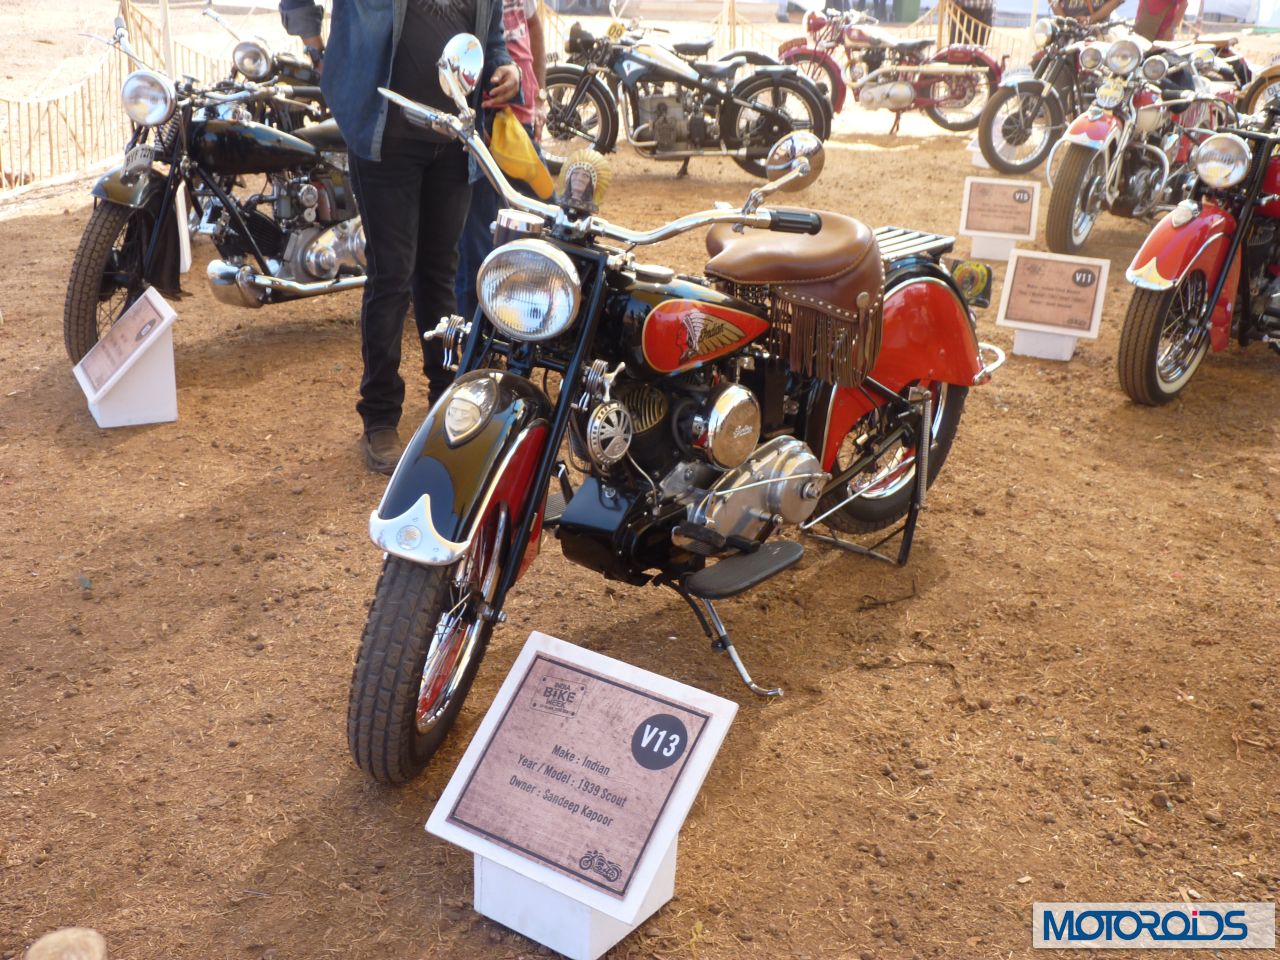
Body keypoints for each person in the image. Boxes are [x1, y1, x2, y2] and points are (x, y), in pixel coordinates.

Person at [279, 0, 522, 474]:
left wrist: (504, 66)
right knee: (392, 275)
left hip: (456, 136)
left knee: (440, 274)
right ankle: (380, 417)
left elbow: (490, 36)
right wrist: (316, 48)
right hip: (384, 135)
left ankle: (445, 402)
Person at [455, 0, 546, 321]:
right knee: (478, 242)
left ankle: (524, 321)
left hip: (520, 127)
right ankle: (475, 332)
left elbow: (534, 27)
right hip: (484, 126)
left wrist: (540, 97)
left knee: (542, 225)